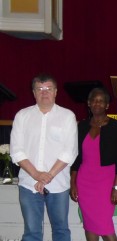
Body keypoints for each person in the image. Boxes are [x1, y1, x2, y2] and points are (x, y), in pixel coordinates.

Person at [10, 74, 78, 241]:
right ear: (34, 93)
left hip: (58, 185)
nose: (44, 92)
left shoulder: (67, 116)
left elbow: (69, 151)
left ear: (56, 92)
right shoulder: (22, 116)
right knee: (31, 233)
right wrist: (36, 175)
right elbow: (17, 151)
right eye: (40, 89)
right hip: (28, 184)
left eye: (48, 89)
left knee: (61, 230)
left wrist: (47, 177)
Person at [70, 87, 117, 241]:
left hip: (106, 181)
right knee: (89, 225)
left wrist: (116, 187)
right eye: (94, 100)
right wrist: (73, 183)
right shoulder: (82, 126)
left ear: (107, 105)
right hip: (84, 181)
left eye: (101, 101)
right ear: (89, 103)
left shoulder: (116, 126)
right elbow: (76, 158)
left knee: (104, 225)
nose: (97, 103)